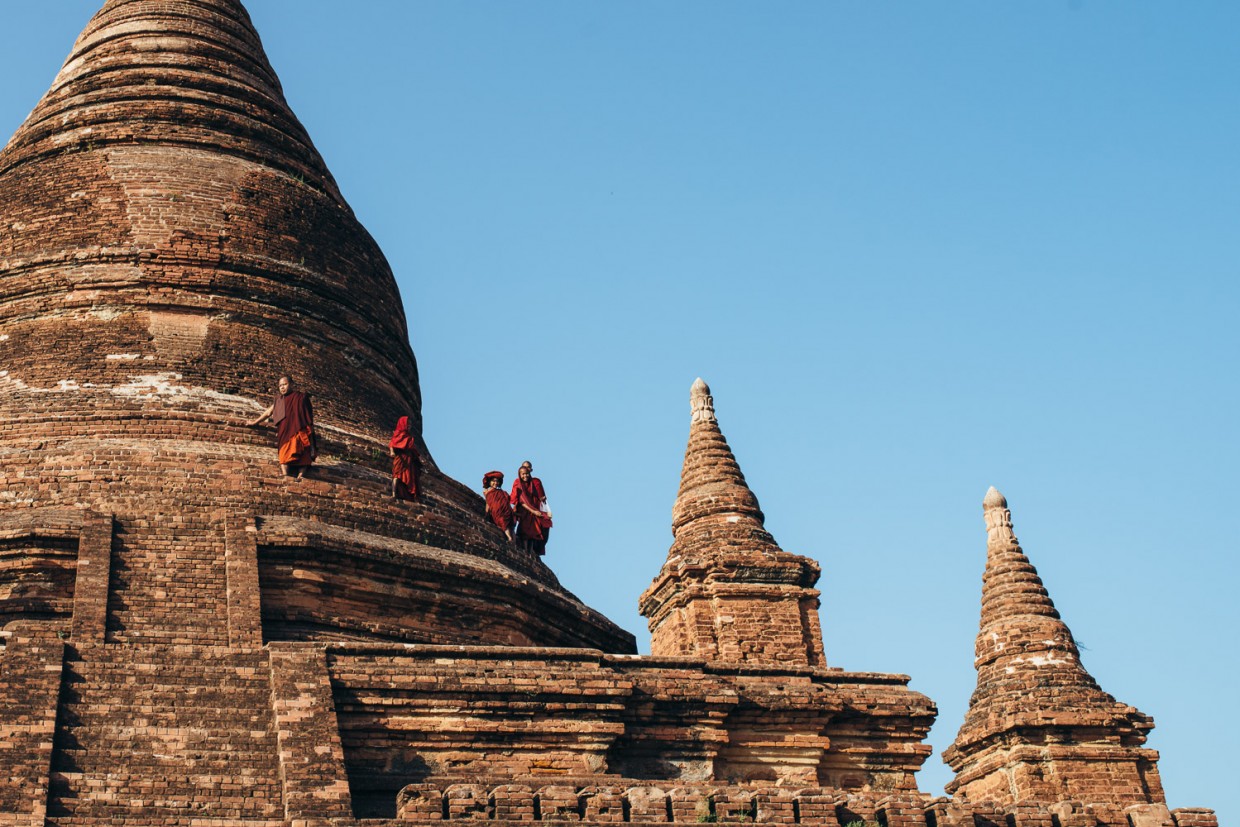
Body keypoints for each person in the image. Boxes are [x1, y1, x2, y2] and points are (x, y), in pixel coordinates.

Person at [247, 375, 317, 477]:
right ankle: (285, 475)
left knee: (304, 454)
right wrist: (255, 422)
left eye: (285, 384)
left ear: (291, 384)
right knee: (283, 453)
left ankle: (300, 476)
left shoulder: (301, 397)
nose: (282, 387)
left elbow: (308, 416)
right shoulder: (279, 400)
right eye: (280, 386)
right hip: (285, 432)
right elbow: (268, 413)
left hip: (299, 430)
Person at [510, 461, 551, 555]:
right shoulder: (518, 483)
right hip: (524, 510)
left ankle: (532, 550)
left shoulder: (535, 482)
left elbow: (542, 497)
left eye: (528, 468)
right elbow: (517, 498)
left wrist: (546, 509)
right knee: (525, 531)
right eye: (524, 468)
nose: (526, 471)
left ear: (531, 470)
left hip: (536, 509)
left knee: (538, 529)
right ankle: (525, 550)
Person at [388, 416, 421, 501]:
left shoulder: (409, 437)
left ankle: (408, 494)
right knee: (397, 475)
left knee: (409, 477)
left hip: (408, 458)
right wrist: (392, 452)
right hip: (400, 457)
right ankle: (394, 493)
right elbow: (392, 443)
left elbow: (412, 448)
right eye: (408, 424)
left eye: (410, 424)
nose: (409, 426)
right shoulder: (398, 433)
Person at [482, 471, 515, 543]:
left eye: (497, 481)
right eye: (493, 481)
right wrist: (486, 512)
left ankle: (512, 540)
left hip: (504, 509)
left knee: (509, 523)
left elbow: (506, 501)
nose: (495, 483)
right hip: (496, 510)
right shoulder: (487, 491)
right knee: (502, 521)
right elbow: (488, 502)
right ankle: (509, 538)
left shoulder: (500, 492)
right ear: (489, 482)